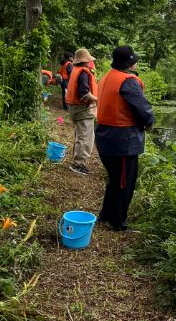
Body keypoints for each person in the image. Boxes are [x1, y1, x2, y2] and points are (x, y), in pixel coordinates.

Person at [95, 46, 154, 232]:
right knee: (124, 183)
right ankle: (118, 223)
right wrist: (150, 122)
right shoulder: (128, 82)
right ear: (129, 63)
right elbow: (143, 110)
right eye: (134, 59)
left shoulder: (107, 76)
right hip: (122, 142)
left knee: (114, 179)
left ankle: (106, 215)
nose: (136, 62)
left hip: (105, 136)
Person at [66, 48, 98, 175]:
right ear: (85, 61)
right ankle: (78, 164)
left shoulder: (77, 71)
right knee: (85, 138)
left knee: (80, 136)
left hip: (77, 109)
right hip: (83, 109)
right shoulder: (84, 73)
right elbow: (84, 93)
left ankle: (78, 162)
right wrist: (98, 99)